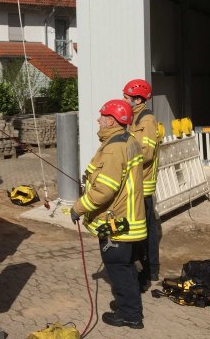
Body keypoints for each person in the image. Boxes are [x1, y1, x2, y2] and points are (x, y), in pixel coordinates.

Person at [70, 99, 146, 329]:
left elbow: (104, 191)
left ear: (111, 121)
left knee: (118, 267)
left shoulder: (113, 149)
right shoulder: (127, 140)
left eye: (102, 116)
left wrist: (78, 207)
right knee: (126, 266)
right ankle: (128, 304)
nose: (98, 119)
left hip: (118, 222)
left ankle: (130, 315)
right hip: (129, 217)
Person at [123, 79, 161, 289]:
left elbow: (146, 153)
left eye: (126, 97)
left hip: (143, 183)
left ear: (138, 100)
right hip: (137, 182)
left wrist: (122, 160)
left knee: (145, 231)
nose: (124, 100)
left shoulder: (146, 121)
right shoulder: (135, 118)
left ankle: (149, 271)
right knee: (145, 229)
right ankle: (148, 270)